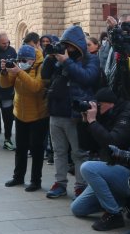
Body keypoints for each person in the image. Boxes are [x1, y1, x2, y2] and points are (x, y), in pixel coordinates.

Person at [41, 25, 100, 199]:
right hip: (56, 111)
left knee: (78, 153)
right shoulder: (58, 58)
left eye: (69, 45)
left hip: (75, 113)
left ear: (78, 45)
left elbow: (87, 77)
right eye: (64, 44)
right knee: (59, 151)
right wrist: (50, 58)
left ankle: (81, 186)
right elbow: (44, 74)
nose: (66, 48)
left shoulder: (90, 59)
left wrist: (67, 61)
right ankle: (60, 183)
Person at [72, 88, 130, 229]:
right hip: (113, 169)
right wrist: (86, 122)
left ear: (110, 104)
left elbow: (113, 142)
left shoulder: (127, 116)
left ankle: (114, 214)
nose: (96, 108)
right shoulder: (105, 116)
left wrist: (93, 121)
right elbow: (86, 146)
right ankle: (124, 202)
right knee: (78, 209)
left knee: (88, 168)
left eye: (99, 105)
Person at [0, 45, 48, 191]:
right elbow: (4, 84)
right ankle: (18, 177)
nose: (22, 62)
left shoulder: (41, 66)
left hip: (38, 114)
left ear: (33, 59)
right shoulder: (17, 67)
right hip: (20, 112)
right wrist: (4, 71)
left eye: (25, 59)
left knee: (36, 149)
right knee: (20, 148)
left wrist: (19, 71)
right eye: (20, 59)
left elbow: (36, 87)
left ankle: (36, 181)